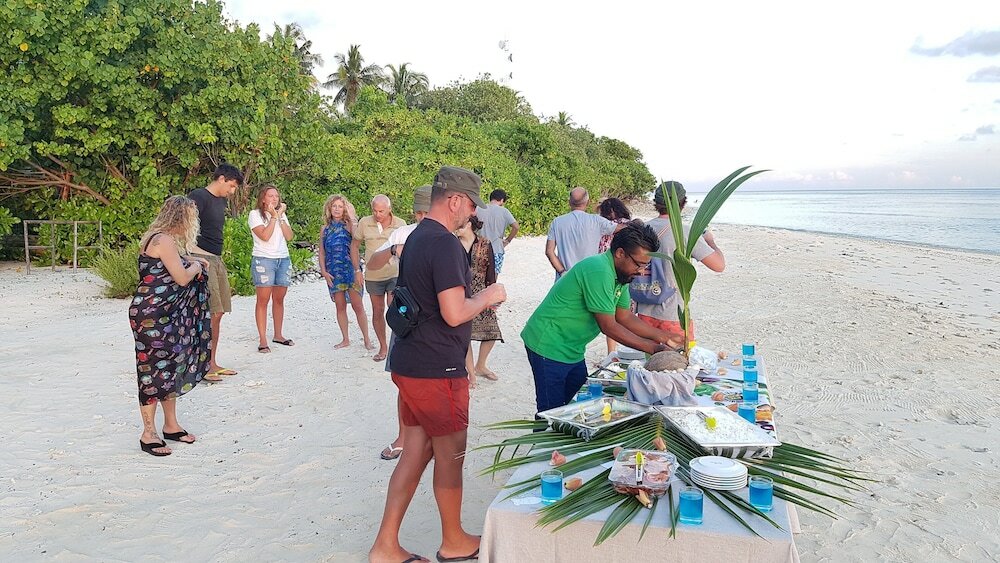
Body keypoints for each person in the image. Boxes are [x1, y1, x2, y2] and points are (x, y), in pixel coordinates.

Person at [369, 166, 506, 563]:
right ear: (455, 200)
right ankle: (454, 540)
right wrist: (489, 294)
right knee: (451, 453)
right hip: (437, 368)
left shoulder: (415, 238)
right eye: (471, 206)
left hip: (411, 360)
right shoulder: (444, 243)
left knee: (416, 450)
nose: (472, 214)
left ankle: (385, 546)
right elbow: (453, 311)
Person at [521, 222, 683, 415]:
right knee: (551, 413)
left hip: (572, 347)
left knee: (579, 406)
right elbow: (608, 326)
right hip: (548, 343)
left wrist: (664, 336)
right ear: (620, 253)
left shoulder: (621, 275)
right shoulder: (599, 270)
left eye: (646, 266)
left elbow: (624, 316)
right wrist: (653, 348)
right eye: (639, 264)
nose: (641, 271)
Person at [130, 196, 212, 456]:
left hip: (163, 313)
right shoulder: (163, 240)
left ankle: (171, 425)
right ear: (182, 218)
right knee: (152, 370)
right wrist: (196, 265)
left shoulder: (158, 238)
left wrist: (192, 260)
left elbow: (171, 265)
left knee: (169, 365)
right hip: (152, 315)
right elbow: (180, 277)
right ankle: (148, 433)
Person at [367, 185, 431, 462]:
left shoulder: (451, 234)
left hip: (439, 318)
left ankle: (431, 436)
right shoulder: (403, 233)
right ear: (418, 212)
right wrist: (394, 249)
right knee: (404, 381)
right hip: (408, 316)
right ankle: (404, 436)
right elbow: (372, 264)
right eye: (425, 213)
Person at [636, 181, 725, 342]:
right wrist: (710, 241)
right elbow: (718, 265)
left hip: (643, 313)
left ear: (656, 203)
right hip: (674, 314)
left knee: (648, 364)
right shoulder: (685, 232)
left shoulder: (641, 229)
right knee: (678, 364)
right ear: (683, 203)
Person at [189, 163, 243, 379]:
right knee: (209, 312)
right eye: (230, 186)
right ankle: (203, 366)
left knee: (218, 312)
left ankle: (211, 361)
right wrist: (197, 256)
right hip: (200, 258)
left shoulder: (220, 201)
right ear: (221, 179)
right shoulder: (198, 197)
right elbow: (184, 230)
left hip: (216, 259)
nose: (231, 192)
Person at [353, 194, 406, 362]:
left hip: (394, 273)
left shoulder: (400, 224)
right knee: (377, 310)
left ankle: (398, 345)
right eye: (375, 210)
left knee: (394, 307)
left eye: (381, 211)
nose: (378, 214)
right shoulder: (364, 223)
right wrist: (357, 270)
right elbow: (354, 245)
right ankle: (383, 347)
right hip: (373, 275)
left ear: (389, 209)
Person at [318, 194, 373, 351]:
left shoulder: (350, 225)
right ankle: (345, 339)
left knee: (358, 305)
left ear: (345, 209)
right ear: (329, 208)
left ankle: (367, 339)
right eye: (334, 206)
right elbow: (321, 252)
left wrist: (352, 217)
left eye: (340, 206)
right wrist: (323, 271)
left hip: (350, 269)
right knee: (340, 306)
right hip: (333, 271)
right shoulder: (325, 229)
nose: (336, 209)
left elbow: (357, 239)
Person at [248, 184, 295, 353]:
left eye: (276, 196)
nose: (274, 199)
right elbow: (265, 236)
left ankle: (278, 334)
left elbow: (289, 236)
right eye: (270, 196)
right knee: (263, 300)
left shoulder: (282, 215)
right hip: (264, 259)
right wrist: (274, 217)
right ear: (263, 199)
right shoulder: (255, 215)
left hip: (283, 258)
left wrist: (280, 217)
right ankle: (262, 339)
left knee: (279, 298)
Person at [456, 215, 503, 384]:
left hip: (482, 293)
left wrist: (493, 294)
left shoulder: (485, 243)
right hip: (460, 293)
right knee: (464, 334)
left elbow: (491, 271)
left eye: (459, 224)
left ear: (469, 224)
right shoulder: (452, 243)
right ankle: (471, 373)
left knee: (492, 332)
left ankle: (480, 365)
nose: (456, 228)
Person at [545, 187, 621, 279]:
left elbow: (549, 251)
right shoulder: (597, 221)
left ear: (569, 202)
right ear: (588, 202)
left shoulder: (557, 222)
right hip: (589, 278)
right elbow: (620, 228)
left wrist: (562, 272)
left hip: (564, 279)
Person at [597, 197, 634, 355]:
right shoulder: (629, 224)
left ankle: (611, 352)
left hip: (608, 272)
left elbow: (600, 249)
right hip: (627, 271)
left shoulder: (603, 226)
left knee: (611, 314)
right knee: (627, 314)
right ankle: (628, 349)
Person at [475, 188, 518, 275]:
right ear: (502, 200)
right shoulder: (504, 211)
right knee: (493, 279)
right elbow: (516, 227)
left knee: (478, 277)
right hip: (496, 248)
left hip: (480, 248)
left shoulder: (478, 209)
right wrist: (508, 240)